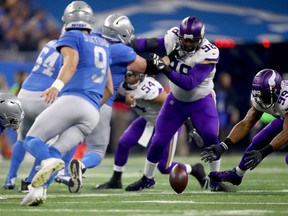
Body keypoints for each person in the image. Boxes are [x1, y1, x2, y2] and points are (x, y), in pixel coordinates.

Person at [21, 1, 112, 206]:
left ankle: (46, 163)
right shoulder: (103, 43)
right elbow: (110, 89)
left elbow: (71, 64)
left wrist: (56, 86)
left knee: (32, 140)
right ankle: (38, 192)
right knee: (55, 153)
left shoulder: (71, 35)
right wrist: (91, 108)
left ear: (67, 19)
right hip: (92, 111)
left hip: (73, 99)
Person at [125, 16, 231, 191]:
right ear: (180, 36)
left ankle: (215, 180)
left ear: (201, 39)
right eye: (185, 40)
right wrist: (127, 44)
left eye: (193, 41)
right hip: (176, 99)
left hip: (201, 100)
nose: (188, 44)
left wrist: (163, 67)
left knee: (211, 137)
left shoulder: (209, 52)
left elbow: (190, 83)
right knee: (158, 140)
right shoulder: (172, 37)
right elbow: (149, 44)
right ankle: (147, 178)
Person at [53, 14, 154, 193]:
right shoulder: (122, 50)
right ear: (121, 33)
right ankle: (81, 165)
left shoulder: (93, 41)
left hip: (74, 99)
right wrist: (169, 58)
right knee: (97, 151)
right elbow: (147, 66)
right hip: (101, 104)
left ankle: (50, 169)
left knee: (66, 141)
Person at [94, 71, 208, 190]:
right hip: (149, 119)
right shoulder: (123, 85)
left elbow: (176, 106)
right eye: (129, 75)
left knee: (164, 167)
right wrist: (123, 99)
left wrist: (190, 127)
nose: (131, 78)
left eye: (134, 75)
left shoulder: (149, 89)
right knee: (123, 142)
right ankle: (116, 180)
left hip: (168, 123)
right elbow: (109, 95)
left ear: (141, 76)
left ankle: (195, 169)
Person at [201, 69, 287, 187]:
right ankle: (237, 174)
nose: (262, 100)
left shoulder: (285, 100)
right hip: (283, 117)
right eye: (260, 95)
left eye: (265, 96)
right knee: (258, 139)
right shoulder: (263, 97)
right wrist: (223, 146)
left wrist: (264, 152)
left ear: (276, 90)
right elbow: (246, 124)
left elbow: (286, 133)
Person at [2, 39, 62, 190]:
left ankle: (10, 178)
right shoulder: (73, 49)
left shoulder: (50, 44)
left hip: (25, 92)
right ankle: (30, 181)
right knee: (48, 141)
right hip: (46, 96)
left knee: (21, 138)